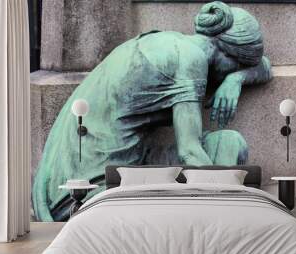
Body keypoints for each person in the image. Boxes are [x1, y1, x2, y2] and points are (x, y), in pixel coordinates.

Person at [32, 1, 272, 221]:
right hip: (92, 182)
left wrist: (237, 79)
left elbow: (264, 66)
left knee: (228, 143)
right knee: (220, 157)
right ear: (227, 53)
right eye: (237, 66)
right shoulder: (190, 60)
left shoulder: (170, 42)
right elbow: (190, 152)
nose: (231, 72)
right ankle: (211, 231)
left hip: (119, 163)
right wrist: (232, 212)